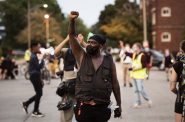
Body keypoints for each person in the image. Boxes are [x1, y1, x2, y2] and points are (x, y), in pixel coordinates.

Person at [68, 11, 122, 122]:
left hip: (102, 108)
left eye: (93, 43)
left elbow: (115, 83)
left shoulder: (108, 60)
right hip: (84, 107)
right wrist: (72, 21)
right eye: (88, 42)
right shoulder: (81, 56)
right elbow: (72, 36)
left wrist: (119, 104)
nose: (89, 44)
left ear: (101, 46)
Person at [55, 35, 77, 122]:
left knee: (85, 115)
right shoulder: (66, 51)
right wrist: (66, 39)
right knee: (66, 115)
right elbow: (56, 52)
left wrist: (82, 42)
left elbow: (93, 52)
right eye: (72, 42)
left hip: (82, 87)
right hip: (68, 88)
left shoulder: (83, 51)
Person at [22, 42, 45, 117]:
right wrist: (43, 59)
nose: (39, 48)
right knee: (39, 93)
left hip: (35, 76)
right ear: (33, 48)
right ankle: (35, 111)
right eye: (38, 47)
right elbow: (38, 67)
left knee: (39, 93)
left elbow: (38, 69)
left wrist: (40, 79)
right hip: (34, 76)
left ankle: (27, 103)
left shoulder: (34, 56)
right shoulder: (33, 57)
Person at [126, 42, 152, 108]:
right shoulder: (134, 54)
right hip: (134, 75)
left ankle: (148, 99)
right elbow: (128, 54)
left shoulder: (142, 55)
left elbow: (144, 66)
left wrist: (134, 68)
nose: (133, 48)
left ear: (138, 48)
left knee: (140, 89)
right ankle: (137, 103)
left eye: (134, 47)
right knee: (135, 90)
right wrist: (124, 49)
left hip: (140, 75)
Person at [170, 40, 185, 122]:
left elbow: (172, 87)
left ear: (181, 50)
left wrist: (179, 93)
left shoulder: (177, 65)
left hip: (181, 98)